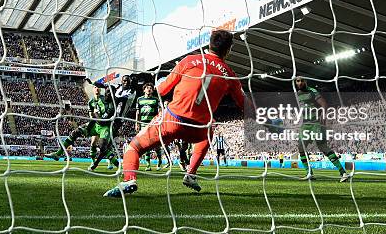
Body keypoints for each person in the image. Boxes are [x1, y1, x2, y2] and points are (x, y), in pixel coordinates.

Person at [104, 30, 247, 197]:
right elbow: (244, 105)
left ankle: (129, 179)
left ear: (209, 44)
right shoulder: (230, 75)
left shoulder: (189, 60)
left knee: (133, 148)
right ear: (229, 50)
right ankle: (191, 174)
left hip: (172, 120)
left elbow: (163, 89)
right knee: (210, 128)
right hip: (199, 129)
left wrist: (160, 81)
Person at [45, 84, 119, 171]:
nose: (109, 94)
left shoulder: (111, 104)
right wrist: (89, 127)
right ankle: (58, 153)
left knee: (103, 147)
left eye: (111, 93)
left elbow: (100, 120)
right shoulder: (94, 101)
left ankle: (118, 165)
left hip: (105, 127)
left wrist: (95, 114)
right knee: (75, 133)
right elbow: (93, 117)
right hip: (95, 124)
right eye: (107, 92)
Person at [295, 76, 350, 182]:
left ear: (305, 81)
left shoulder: (312, 91)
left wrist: (323, 115)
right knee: (301, 148)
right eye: (298, 81)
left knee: (323, 147)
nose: (300, 82)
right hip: (305, 124)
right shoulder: (297, 93)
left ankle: (343, 173)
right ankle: (309, 173)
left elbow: (324, 103)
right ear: (296, 83)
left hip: (316, 123)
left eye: (302, 80)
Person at [135, 82, 166, 171]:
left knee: (156, 144)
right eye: (147, 88)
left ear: (152, 90)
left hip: (153, 124)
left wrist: (159, 122)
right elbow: (138, 112)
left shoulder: (156, 100)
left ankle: (159, 160)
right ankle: (148, 164)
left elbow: (160, 112)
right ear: (144, 89)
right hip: (143, 124)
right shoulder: (139, 99)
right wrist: (137, 123)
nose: (149, 89)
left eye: (150, 88)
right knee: (145, 144)